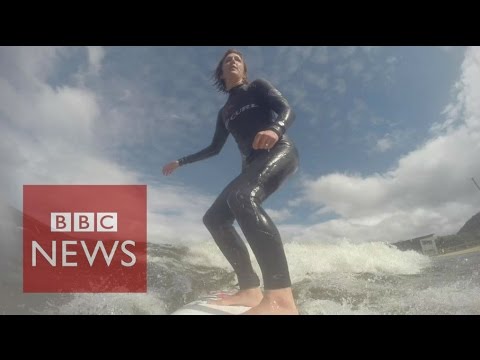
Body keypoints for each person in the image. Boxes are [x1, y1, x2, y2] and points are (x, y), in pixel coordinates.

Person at [162, 49, 300, 315]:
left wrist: (276, 128)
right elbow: (214, 148)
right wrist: (180, 162)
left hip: (280, 150)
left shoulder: (257, 88)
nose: (234, 61)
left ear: (244, 70)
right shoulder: (224, 112)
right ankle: (249, 289)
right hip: (252, 165)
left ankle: (281, 301)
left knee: (241, 197)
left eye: (238, 59)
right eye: (228, 60)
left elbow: (286, 109)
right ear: (222, 72)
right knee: (214, 218)